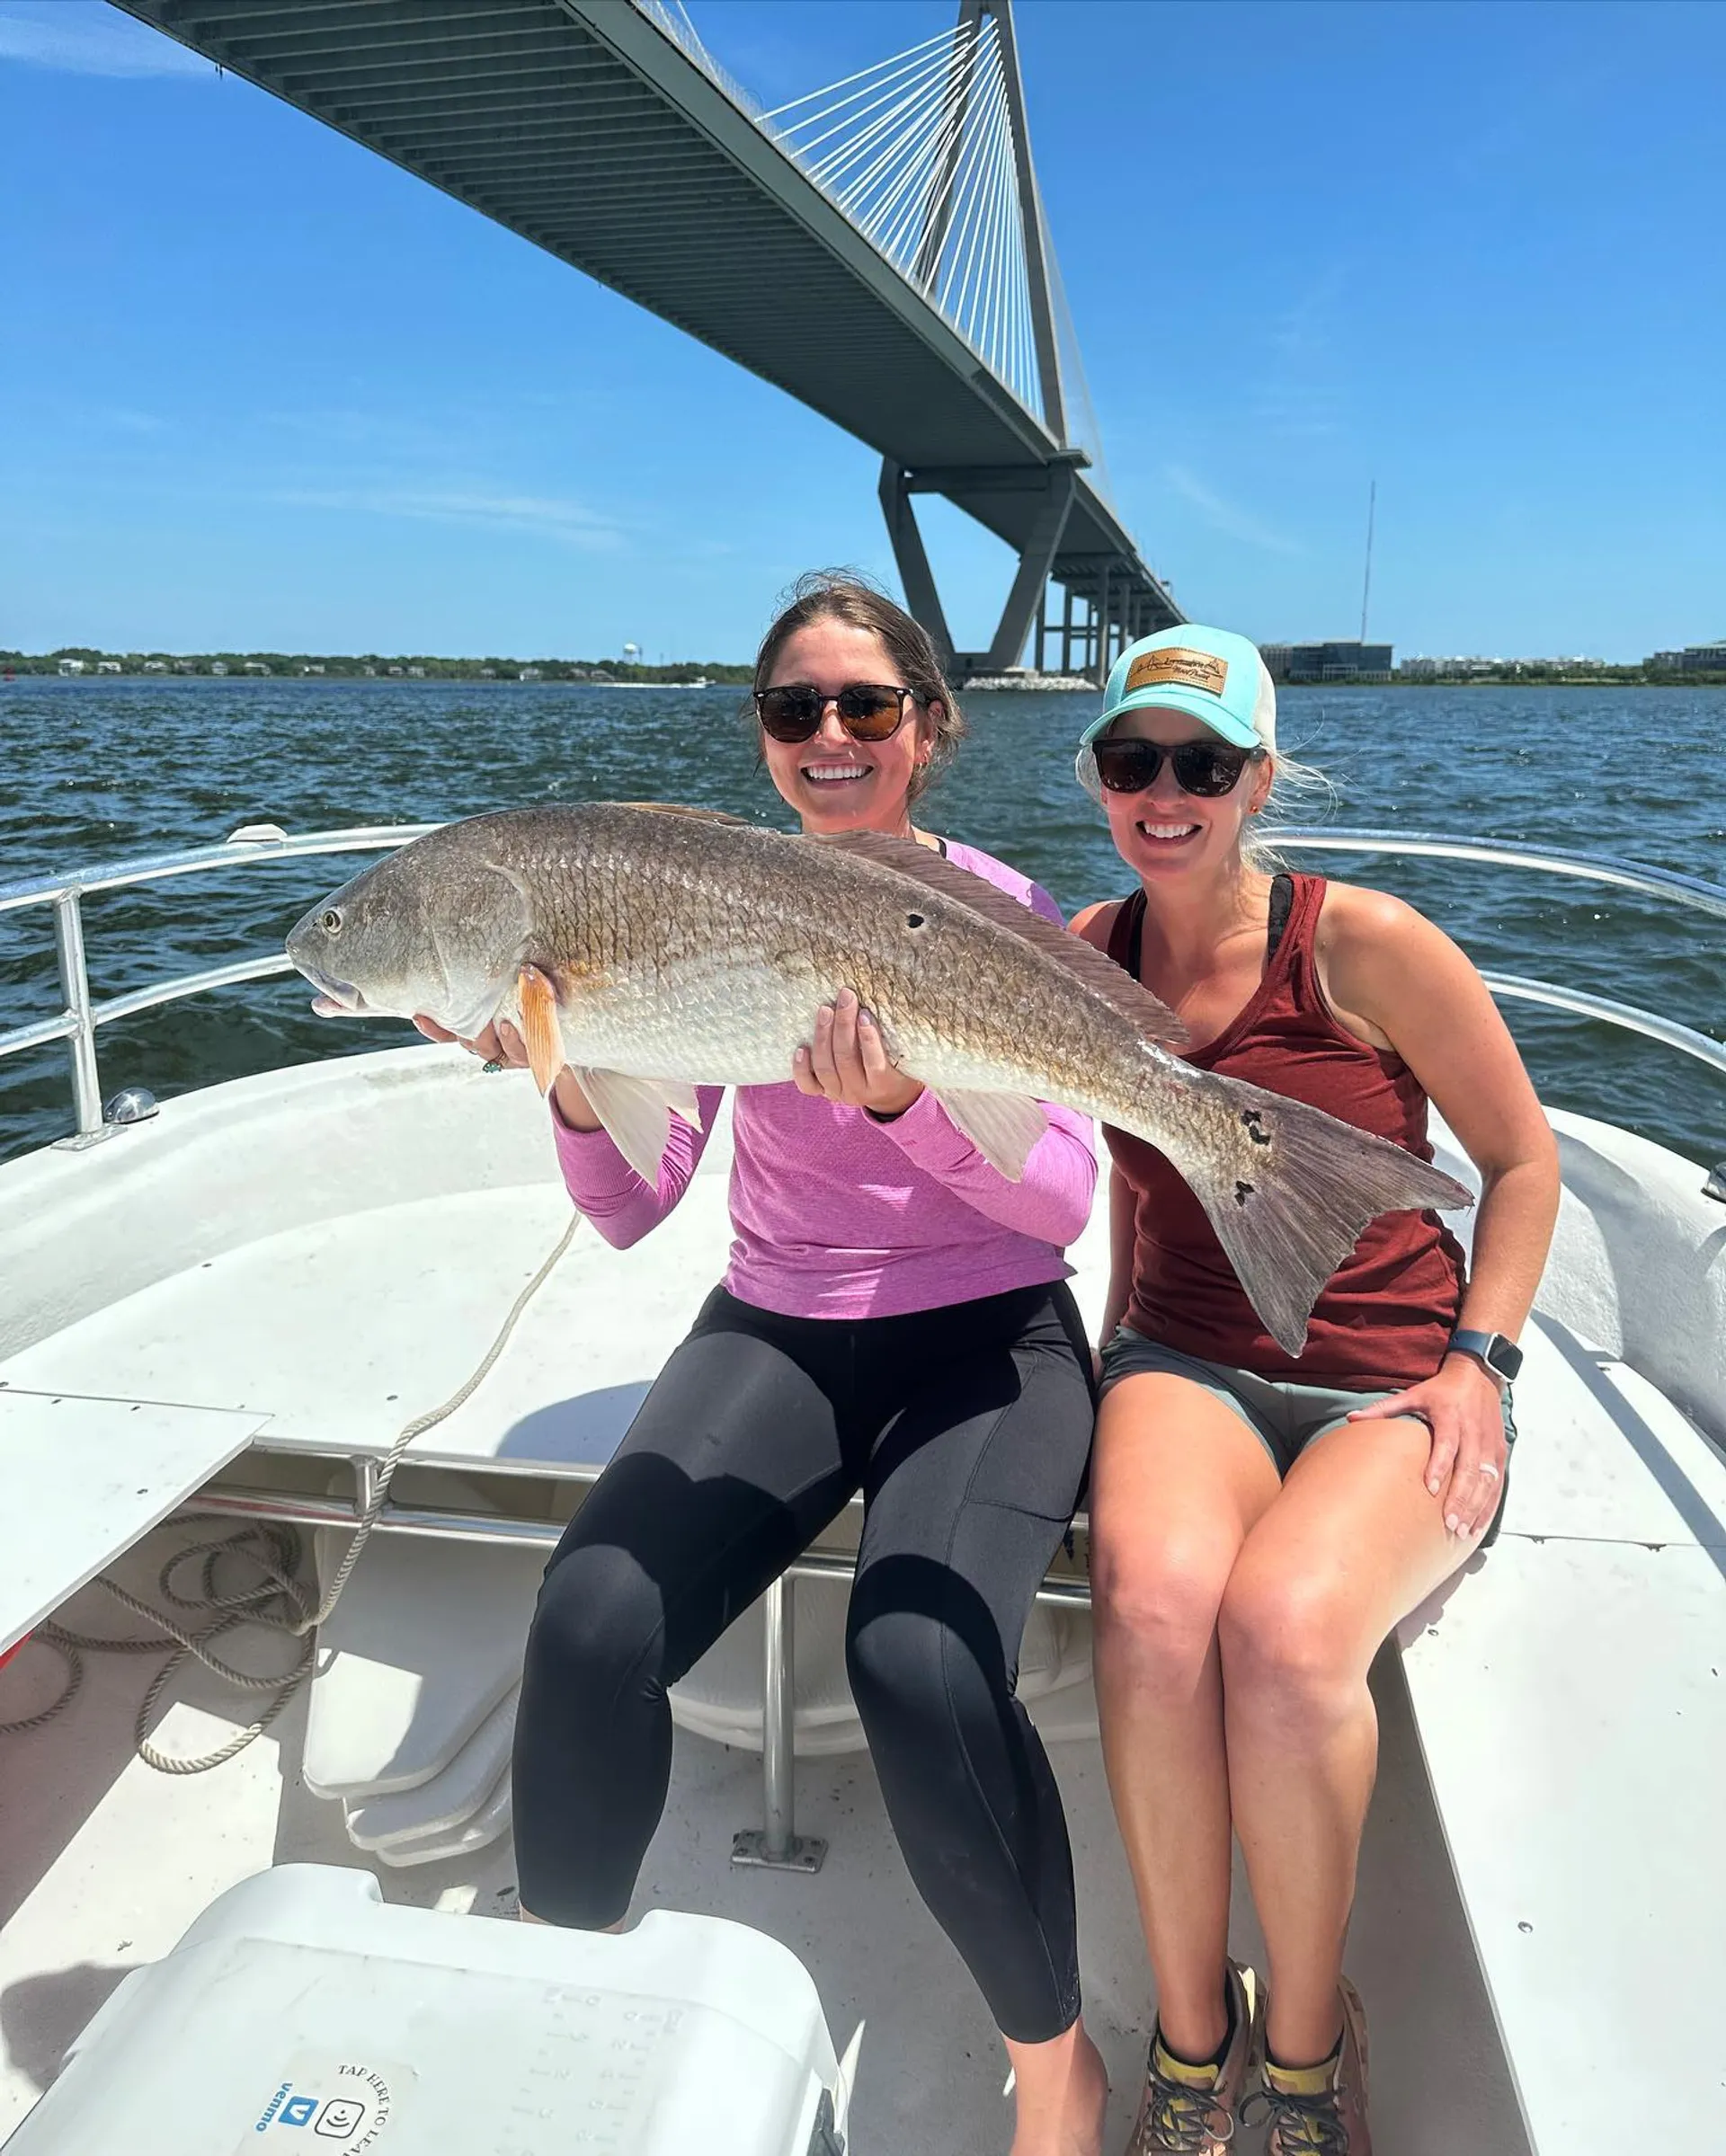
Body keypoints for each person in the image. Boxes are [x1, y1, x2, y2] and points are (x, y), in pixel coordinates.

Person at [418, 574, 1111, 2156]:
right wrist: (572, 1077)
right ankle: (558, 2003)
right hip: (781, 1320)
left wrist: (899, 1105)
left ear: (928, 728)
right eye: (797, 709)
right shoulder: (687, 898)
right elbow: (635, 1208)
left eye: (868, 705)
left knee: (919, 1660)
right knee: (592, 1615)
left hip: (988, 1334)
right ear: (763, 739)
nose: (832, 736)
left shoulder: (997, 905)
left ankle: (1058, 2069)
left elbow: (1063, 1200)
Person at [1068, 626, 1559, 2156]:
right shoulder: (1087, 954)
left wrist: (1481, 1365)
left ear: (1257, 781)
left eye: (1203, 763)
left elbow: (1524, 1163)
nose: (1167, 790)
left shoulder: (1364, 944)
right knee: (1150, 1610)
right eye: (1133, 757)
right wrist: (1102, 1353)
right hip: (1185, 1357)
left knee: (1282, 1636)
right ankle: (1188, 2042)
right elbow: (1130, 1189)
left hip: (1393, 1378)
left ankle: (1304, 2054)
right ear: (1097, 776)